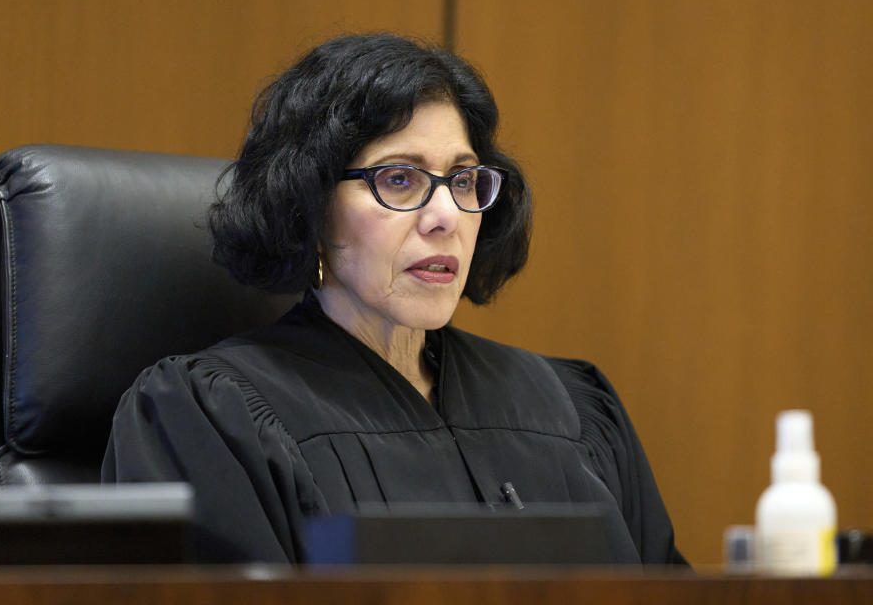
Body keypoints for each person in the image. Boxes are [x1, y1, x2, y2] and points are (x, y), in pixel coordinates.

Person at [101, 34, 687, 565]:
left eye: (462, 180)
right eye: (399, 178)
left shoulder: (571, 407)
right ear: (310, 204)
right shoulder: (208, 414)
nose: (446, 217)